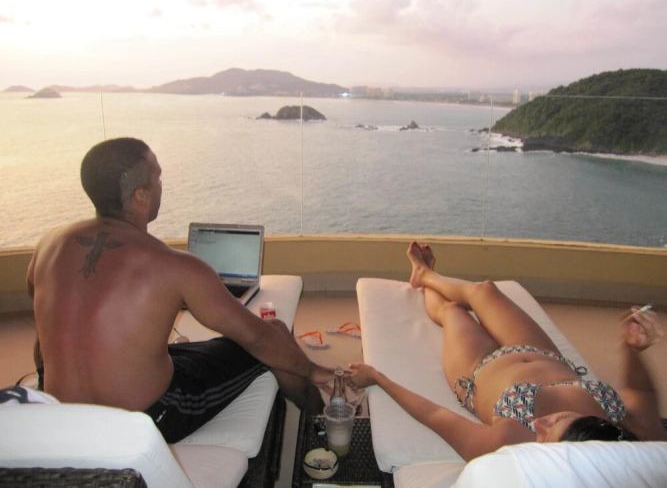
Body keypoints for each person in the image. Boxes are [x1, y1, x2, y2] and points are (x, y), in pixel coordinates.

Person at [27, 137, 334, 443]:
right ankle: (323, 423)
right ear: (141, 196)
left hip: (62, 409)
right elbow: (257, 339)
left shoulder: (48, 246)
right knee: (275, 334)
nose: (161, 185)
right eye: (157, 177)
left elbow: (43, 340)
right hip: (150, 415)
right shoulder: (172, 264)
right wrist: (311, 370)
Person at [348, 241, 665, 461]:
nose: (539, 426)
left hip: (478, 369)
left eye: (545, 438)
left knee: (453, 311)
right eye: (556, 422)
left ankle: (422, 277)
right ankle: (428, 275)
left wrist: (377, 378)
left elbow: (435, 415)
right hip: (543, 353)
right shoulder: (631, 434)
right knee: (485, 290)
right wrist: (633, 349)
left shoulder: (509, 443)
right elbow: (640, 391)